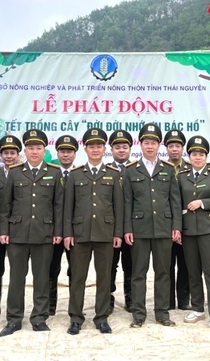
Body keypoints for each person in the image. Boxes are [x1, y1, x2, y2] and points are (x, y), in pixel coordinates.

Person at [0, 129, 64, 337]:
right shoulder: (15, 172)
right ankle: (14, 319)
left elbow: (58, 205)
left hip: (44, 233)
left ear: (44, 150)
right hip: (17, 233)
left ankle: (39, 317)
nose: (34, 152)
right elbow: (5, 204)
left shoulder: (54, 172)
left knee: (42, 277)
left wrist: (58, 231)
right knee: (16, 277)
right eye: (31, 148)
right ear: (24, 150)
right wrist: (4, 230)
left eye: (38, 148)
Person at [64, 128, 123, 335]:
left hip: (105, 234)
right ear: (85, 148)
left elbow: (119, 207)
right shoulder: (75, 174)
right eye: (92, 146)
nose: (95, 149)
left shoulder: (113, 175)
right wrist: (68, 233)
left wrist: (118, 233)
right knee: (77, 277)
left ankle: (101, 317)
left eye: (99, 146)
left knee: (104, 278)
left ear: (104, 148)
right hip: (80, 234)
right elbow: (67, 207)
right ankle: (75, 317)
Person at [123, 123, 181, 328]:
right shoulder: (131, 170)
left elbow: (175, 200)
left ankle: (162, 313)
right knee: (138, 273)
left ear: (159, 145)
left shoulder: (168, 169)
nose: (150, 146)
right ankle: (138, 314)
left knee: (163, 272)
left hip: (164, 228)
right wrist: (127, 229)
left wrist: (176, 226)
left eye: (154, 142)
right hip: (139, 229)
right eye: (146, 142)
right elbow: (127, 202)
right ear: (141, 144)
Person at [178, 136, 210, 328]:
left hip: (209, 231)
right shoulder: (182, 176)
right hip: (189, 230)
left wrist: (203, 203)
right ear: (189, 156)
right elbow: (177, 202)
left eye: (201, 154)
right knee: (193, 271)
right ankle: (197, 308)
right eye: (194, 154)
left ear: (206, 156)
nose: (197, 157)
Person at [0, 134, 23, 315]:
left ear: (18, 154)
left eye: (12, 152)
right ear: (0, 155)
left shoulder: (24, 173)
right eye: (5, 153)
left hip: (17, 229)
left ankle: (16, 305)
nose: (9, 156)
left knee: (18, 269)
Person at [49, 134, 78, 315]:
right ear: (57, 153)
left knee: (75, 270)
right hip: (52, 230)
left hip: (75, 231)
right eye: (62, 151)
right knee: (51, 269)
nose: (65, 155)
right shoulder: (50, 173)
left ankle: (73, 306)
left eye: (69, 152)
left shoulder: (80, 173)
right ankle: (50, 306)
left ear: (75, 154)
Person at [164, 129, 191, 311]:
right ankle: (167, 301)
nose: (174, 149)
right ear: (166, 148)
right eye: (171, 146)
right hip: (165, 224)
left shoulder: (190, 168)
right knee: (166, 264)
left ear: (183, 149)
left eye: (178, 146)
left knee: (185, 264)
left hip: (187, 224)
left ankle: (183, 300)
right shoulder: (160, 168)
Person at [108, 129, 133, 312]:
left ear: (130, 149)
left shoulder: (136, 169)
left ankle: (131, 299)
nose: (121, 150)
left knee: (131, 265)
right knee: (109, 266)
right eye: (117, 147)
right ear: (111, 149)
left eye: (125, 147)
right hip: (110, 227)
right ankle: (107, 299)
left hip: (133, 226)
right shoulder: (106, 170)